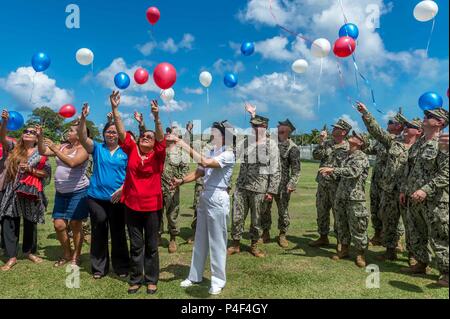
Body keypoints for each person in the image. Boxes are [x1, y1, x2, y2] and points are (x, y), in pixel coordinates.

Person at [169, 120, 236, 295]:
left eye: (215, 132)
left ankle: (218, 280)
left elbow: (206, 163)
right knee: (200, 239)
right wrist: (181, 181)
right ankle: (195, 275)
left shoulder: (229, 154)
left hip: (218, 196)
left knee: (217, 241)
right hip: (206, 195)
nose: (211, 135)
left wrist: (183, 144)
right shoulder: (211, 151)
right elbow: (199, 172)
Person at [110, 90, 165, 295]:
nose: (145, 137)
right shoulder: (132, 150)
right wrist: (115, 109)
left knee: (151, 245)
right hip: (132, 205)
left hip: (152, 207)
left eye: (149, 137)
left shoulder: (158, 155)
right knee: (136, 245)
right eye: (143, 136)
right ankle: (136, 279)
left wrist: (156, 117)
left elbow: (160, 138)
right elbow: (122, 132)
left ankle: (151, 279)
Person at [357, 102, 422, 263]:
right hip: (389, 190)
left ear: (419, 131)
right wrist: (366, 114)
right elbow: (377, 132)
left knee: (411, 225)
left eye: (410, 126)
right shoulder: (394, 143)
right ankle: (390, 250)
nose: (406, 128)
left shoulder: (421, 148)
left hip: (408, 192)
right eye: (405, 126)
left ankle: (413, 255)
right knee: (388, 221)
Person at [78, 103, 130, 279]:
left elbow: (132, 173)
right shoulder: (97, 148)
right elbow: (83, 137)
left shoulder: (126, 151)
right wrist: (83, 118)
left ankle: (122, 266)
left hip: (118, 199)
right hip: (96, 197)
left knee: (118, 232)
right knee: (99, 228)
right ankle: (99, 267)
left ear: (119, 135)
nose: (111, 134)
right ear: (104, 133)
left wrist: (123, 189)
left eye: (115, 132)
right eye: (108, 131)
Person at [400, 108, 449, 288]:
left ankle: (447, 272)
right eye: (425, 115)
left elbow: (446, 172)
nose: (425, 118)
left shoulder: (444, 142)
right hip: (414, 198)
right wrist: (404, 190)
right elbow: (409, 169)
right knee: (416, 233)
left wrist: (426, 190)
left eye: (429, 117)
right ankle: (421, 263)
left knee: (440, 236)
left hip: (435, 200)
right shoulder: (419, 143)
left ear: (440, 123)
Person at [0, 110, 51, 271]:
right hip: (13, 190)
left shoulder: (41, 153)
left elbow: (46, 173)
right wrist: (5, 123)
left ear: (36, 138)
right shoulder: (14, 148)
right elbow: (2, 138)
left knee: (30, 221)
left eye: (32, 132)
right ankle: (12, 256)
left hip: (31, 191)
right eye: (25, 131)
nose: (28, 133)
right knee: (9, 220)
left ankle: (29, 251)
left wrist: (30, 169)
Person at [228, 113, 280, 258]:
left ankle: (254, 245)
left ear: (265, 127)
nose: (255, 128)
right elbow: (232, 155)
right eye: (253, 126)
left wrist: (271, 190)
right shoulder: (246, 142)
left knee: (256, 220)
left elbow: (276, 169)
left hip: (260, 188)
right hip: (242, 186)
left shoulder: (272, 145)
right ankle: (236, 244)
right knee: (237, 217)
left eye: (258, 126)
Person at [37, 121, 90, 267]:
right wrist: (40, 137)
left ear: (80, 135)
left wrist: (55, 148)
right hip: (61, 193)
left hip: (78, 192)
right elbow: (42, 151)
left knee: (75, 224)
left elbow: (73, 163)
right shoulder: (64, 146)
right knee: (59, 225)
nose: (68, 132)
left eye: (72, 131)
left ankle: (76, 256)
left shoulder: (84, 148)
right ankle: (67, 253)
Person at [320, 131, 370, 268]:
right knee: (342, 224)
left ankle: (360, 253)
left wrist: (333, 170)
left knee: (358, 226)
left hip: (355, 197)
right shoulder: (347, 156)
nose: (352, 136)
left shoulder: (361, 156)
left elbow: (353, 172)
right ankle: (344, 249)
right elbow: (340, 175)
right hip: (341, 195)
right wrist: (328, 175)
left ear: (361, 143)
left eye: (356, 136)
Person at [364, 114, 405, 248]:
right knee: (375, 207)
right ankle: (377, 234)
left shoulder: (401, 141)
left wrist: (366, 114)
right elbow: (370, 150)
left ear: (399, 126)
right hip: (377, 179)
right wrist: (360, 143)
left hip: (391, 182)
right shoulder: (381, 141)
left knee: (392, 211)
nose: (387, 123)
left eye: (390, 122)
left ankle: (397, 239)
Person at [309, 119, 352, 248]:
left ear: (343, 132)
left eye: (336, 128)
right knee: (321, 211)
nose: (333, 130)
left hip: (338, 186)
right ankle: (323, 237)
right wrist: (321, 142)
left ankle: (340, 241)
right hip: (323, 184)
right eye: (333, 128)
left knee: (338, 214)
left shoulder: (349, 147)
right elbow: (316, 156)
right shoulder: (327, 144)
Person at [261, 119, 301, 248]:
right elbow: (260, 131)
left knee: (283, 211)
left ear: (287, 130)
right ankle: (265, 232)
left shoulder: (293, 148)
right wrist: (253, 114)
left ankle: (282, 234)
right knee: (265, 209)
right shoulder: (271, 141)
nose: (277, 127)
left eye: (281, 126)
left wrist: (291, 184)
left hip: (283, 185)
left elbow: (296, 170)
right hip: (268, 182)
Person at [161, 126, 189, 253]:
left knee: (172, 214)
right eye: (168, 132)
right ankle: (157, 235)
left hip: (172, 188)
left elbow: (185, 170)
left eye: (172, 132)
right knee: (156, 214)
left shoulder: (181, 152)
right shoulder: (160, 148)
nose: (168, 134)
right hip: (156, 187)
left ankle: (173, 238)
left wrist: (179, 180)